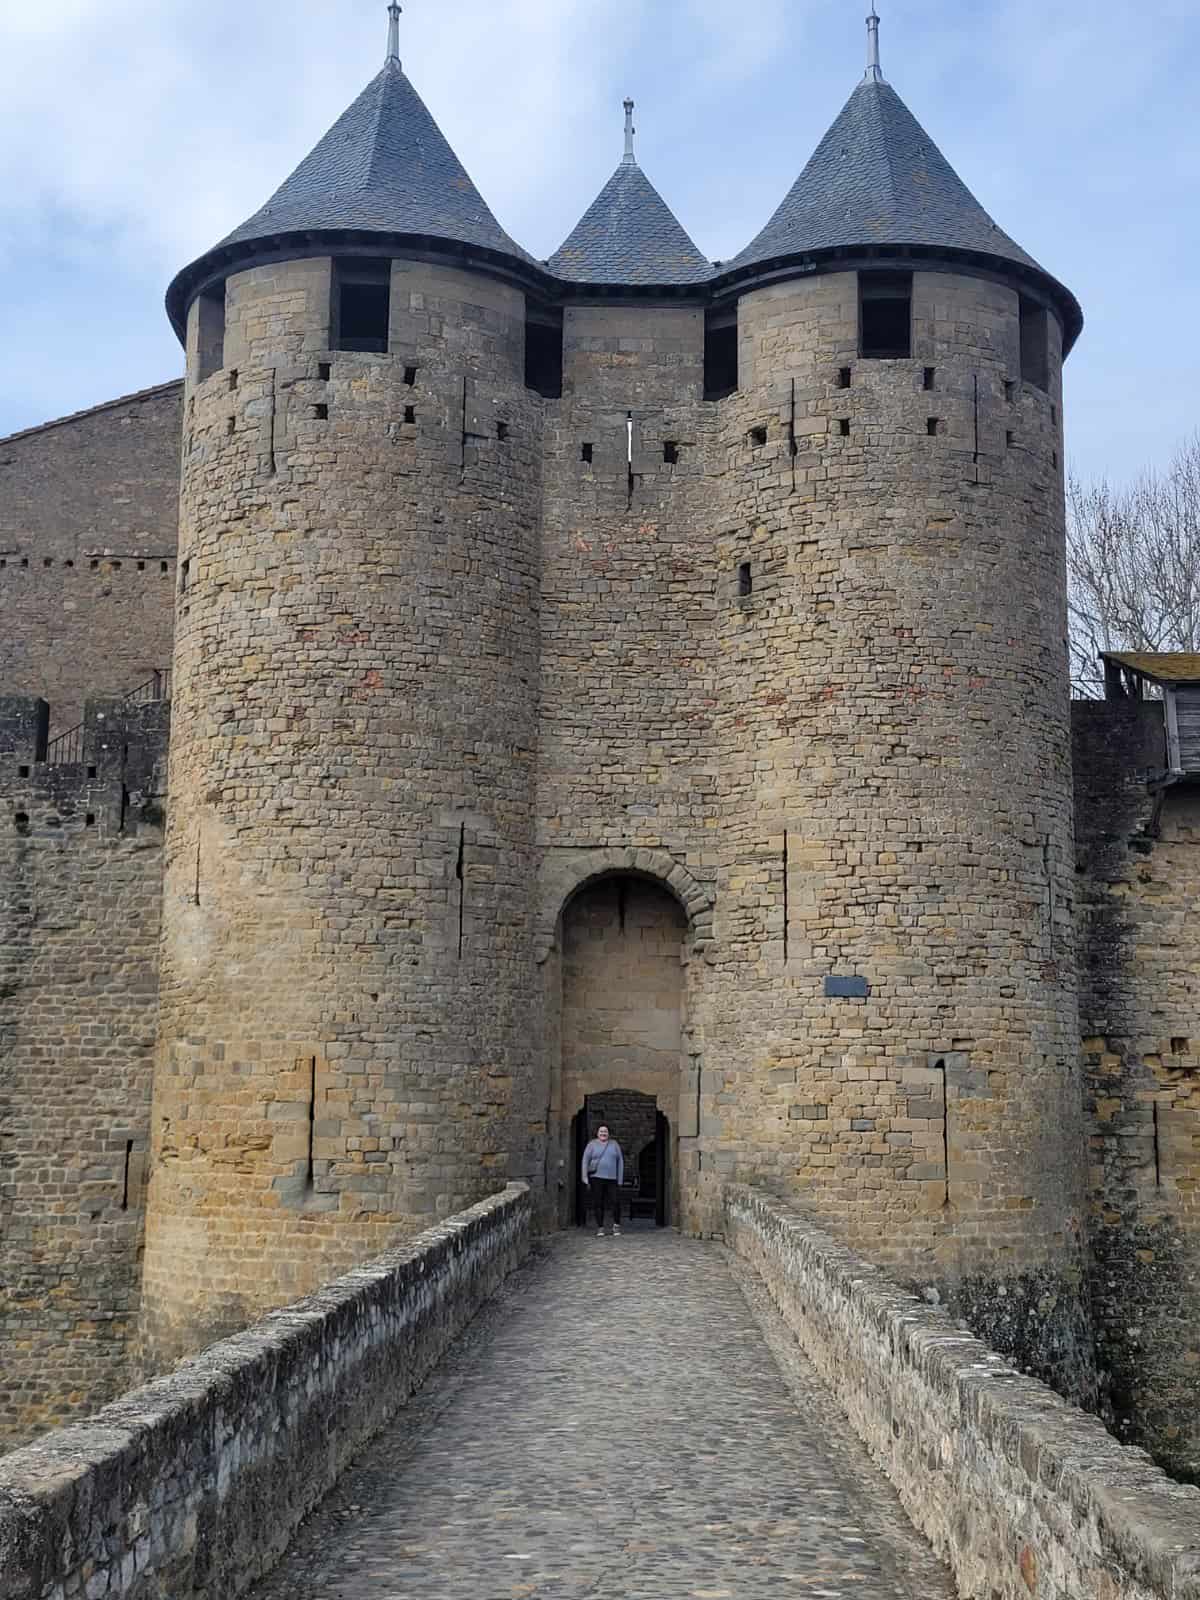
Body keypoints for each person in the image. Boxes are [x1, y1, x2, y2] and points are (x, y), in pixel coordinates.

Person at [581, 1124, 624, 1237]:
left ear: (609, 1133)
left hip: (612, 1179)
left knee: (616, 1202)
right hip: (596, 1178)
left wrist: (620, 1179)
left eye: (605, 1131)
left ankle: (616, 1225)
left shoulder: (614, 1144)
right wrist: (585, 1177)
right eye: (601, 1131)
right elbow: (585, 1160)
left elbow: (620, 1162)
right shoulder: (592, 1144)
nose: (603, 1133)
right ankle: (600, 1227)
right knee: (598, 1203)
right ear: (597, 1133)